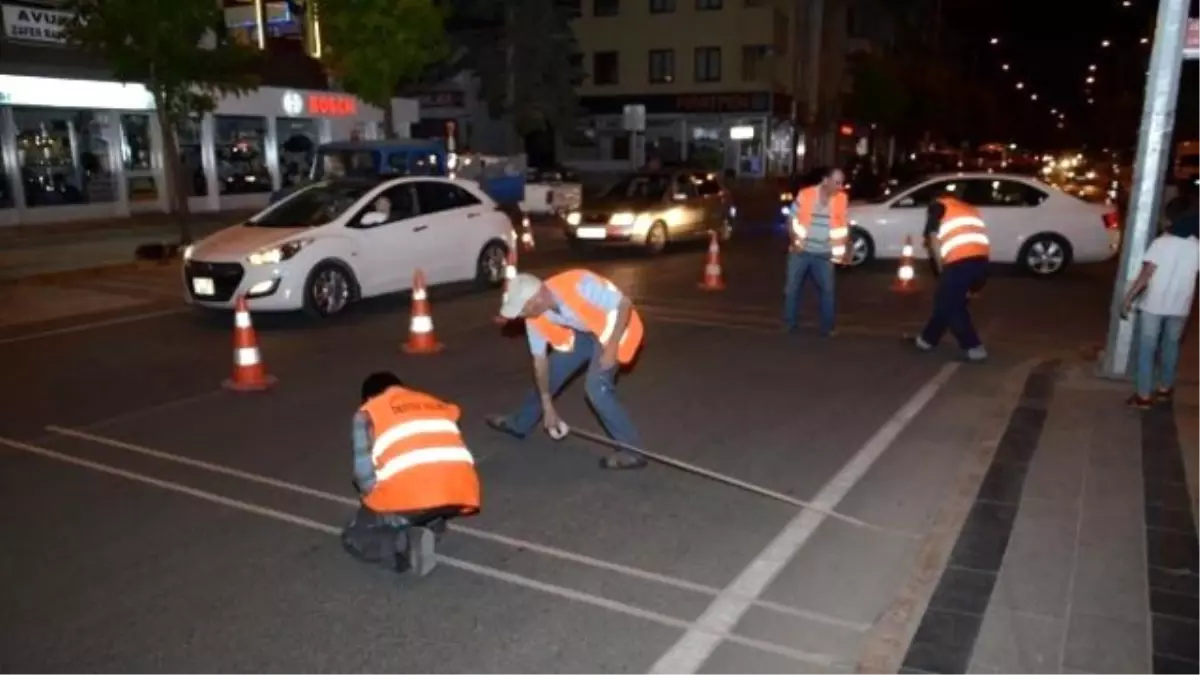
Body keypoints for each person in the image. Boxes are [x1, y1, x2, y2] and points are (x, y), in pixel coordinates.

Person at [485, 269, 649, 470]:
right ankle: (521, 424)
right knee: (549, 373)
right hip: (586, 331)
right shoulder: (534, 318)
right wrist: (548, 407)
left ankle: (633, 451)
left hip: (616, 328)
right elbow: (540, 362)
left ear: (538, 298)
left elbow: (624, 304)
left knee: (596, 388)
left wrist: (612, 346)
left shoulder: (579, 285)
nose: (521, 316)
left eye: (523, 310)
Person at [341, 372, 481, 576]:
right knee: (422, 500)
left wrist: (373, 505)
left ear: (369, 398)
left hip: (412, 497)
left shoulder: (368, 413)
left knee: (355, 537)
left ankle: (404, 543)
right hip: (459, 491)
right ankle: (431, 524)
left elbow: (363, 476)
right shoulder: (434, 403)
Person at [1120, 208, 1200, 409]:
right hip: (1181, 306)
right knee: (1171, 345)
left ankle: (1143, 396)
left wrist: (1129, 297)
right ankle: (1165, 386)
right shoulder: (1197, 247)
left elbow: (1147, 273)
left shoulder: (1161, 243)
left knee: (1147, 348)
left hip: (1154, 305)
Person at [913, 193, 990, 361]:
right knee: (946, 302)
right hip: (981, 264)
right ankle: (927, 340)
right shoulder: (969, 209)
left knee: (952, 305)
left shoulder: (938, 206)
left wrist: (941, 269)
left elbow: (932, 238)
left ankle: (974, 346)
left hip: (960, 263)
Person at [782, 167, 850, 337]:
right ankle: (789, 323)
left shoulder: (842, 199)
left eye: (842, 182)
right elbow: (791, 219)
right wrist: (793, 241)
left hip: (824, 253)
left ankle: (828, 327)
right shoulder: (806, 195)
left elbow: (844, 226)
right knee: (792, 289)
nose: (840, 186)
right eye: (837, 182)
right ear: (825, 181)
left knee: (828, 290)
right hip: (801, 251)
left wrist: (846, 249)